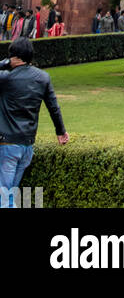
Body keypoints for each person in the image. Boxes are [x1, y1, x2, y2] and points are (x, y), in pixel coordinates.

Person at [0, 37, 69, 206]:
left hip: (7, 144)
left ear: (14, 56)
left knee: (5, 197)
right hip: (27, 145)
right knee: (10, 195)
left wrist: (5, 62)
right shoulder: (43, 78)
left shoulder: (6, 78)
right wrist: (61, 131)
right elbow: (54, 107)